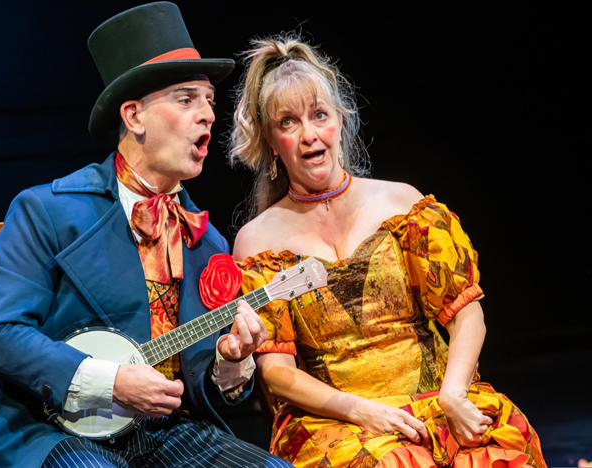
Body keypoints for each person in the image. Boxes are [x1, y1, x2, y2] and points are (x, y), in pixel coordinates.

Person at [0, 4, 292, 467]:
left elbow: (198, 383)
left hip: (167, 434)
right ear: (134, 116)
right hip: (51, 430)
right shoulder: (49, 211)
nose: (207, 115)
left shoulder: (205, 241)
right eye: (186, 100)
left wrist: (231, 361)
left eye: (209, 101)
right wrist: (112, 383)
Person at [229, 35, 547, 468]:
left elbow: (467, 313)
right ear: (270, 138)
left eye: (319, 115)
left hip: (436, 400)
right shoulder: (258, 243)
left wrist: (453, 394)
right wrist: (363, 411)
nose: (309, 135)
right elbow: (277, 372)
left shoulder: (403, 205)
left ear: (340, 120)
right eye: (288, 122)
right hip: (337, 423)